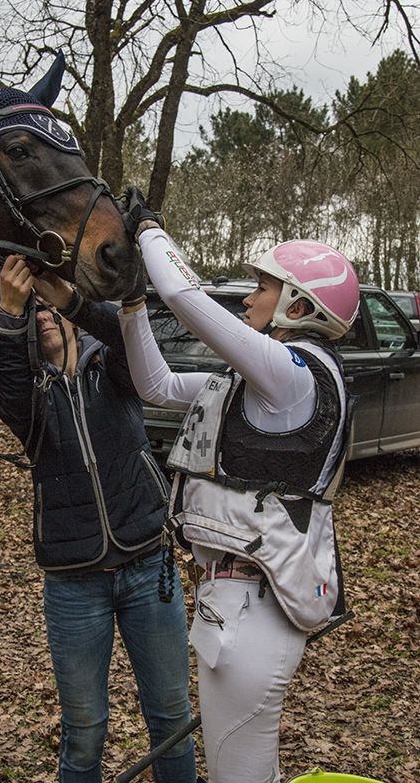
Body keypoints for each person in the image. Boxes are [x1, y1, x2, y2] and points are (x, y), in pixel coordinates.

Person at [115, 189, 360, 783]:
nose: (251, 297)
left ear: (299, 306)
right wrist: (129, 304)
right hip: (235, 606)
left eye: (264, 288)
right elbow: (156, 384)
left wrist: (149, 230)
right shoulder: (263, 384)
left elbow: (184, 294)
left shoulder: (295, 378)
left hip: (253, 612)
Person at [0, 254, 196, 783]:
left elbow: (126, 329)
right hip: (73, 582)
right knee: (84, 727)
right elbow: (9, 381)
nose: (42, 315)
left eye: (47, 308)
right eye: (34, 312)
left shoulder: (116, 369)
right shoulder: (29, 401)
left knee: (172, 716)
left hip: (149, 569)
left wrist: (71, 297)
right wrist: (10, 311)